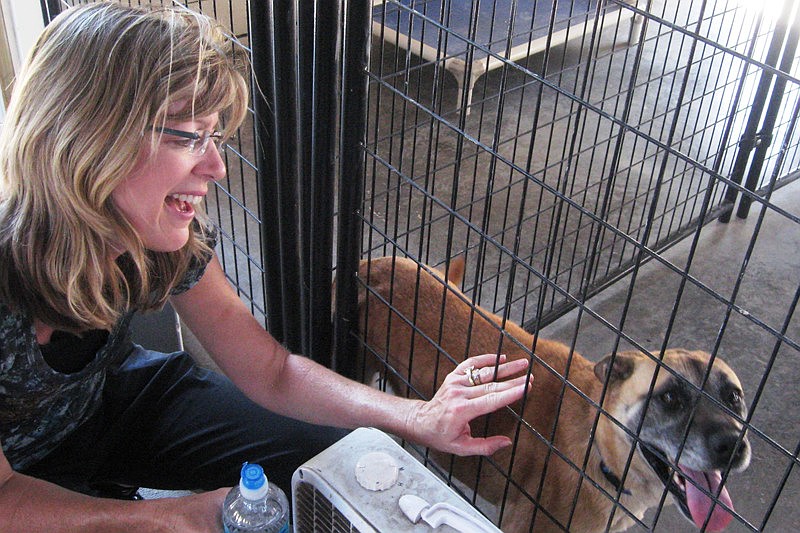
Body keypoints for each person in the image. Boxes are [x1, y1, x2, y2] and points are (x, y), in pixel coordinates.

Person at [0, 3, 532, 532]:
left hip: (107, 400)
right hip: (15, 476)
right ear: (88, 139)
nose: (217, 168)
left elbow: (271, 370)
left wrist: (418, 416)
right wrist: (164, 517)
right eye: (188, 137)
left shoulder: (162, 239)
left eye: (216, 138)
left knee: (332, 460)